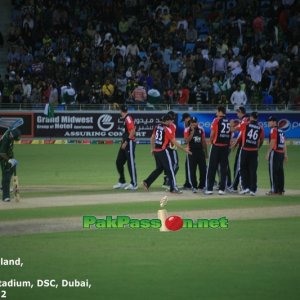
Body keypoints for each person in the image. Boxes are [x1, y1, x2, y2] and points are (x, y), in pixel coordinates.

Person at [143, 114, 192, 194]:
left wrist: (152, 148)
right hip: (163, 151)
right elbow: (174, 142)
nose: (171, 122)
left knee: (159, 169)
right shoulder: (167, 129)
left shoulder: (157, 127)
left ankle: (147, 182)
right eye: (170, 121)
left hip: (156, 151)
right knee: (170, 169)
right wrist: (184, 149)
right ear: (167, 121)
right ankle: (173, 188)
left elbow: (152, 138)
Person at [233, 112, 264, 196]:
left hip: (245, 150)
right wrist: (258, 147)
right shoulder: (260, 128)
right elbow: (261, 140)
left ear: (250, 117)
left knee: (243, 169)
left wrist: (232, 126)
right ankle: (253, 190)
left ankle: (245, 187)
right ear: (257, 118)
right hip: (254, 151)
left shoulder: (245, 124)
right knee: (253, 170)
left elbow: (235, 129)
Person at [205, 105, 232, 195]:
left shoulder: (216, 120)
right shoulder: (228, 121)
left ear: (220, 112)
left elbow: (213, 133)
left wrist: (211, 140)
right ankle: (222, 189)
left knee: (212, 167)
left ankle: (209, 189)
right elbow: (231, 134)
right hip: (225, 147)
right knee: (223, 168)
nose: (216, 113)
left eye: (217, 111)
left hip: (216, 146)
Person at [113, 105, 137, 190]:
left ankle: (134, 184)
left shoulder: (128, 118)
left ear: (121, 111)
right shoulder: (126, 118)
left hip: (129, 143)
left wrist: (126, 141)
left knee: (130, 163)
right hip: (125, 142)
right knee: (119, 162)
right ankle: (122, 182)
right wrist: (123, 141)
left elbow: (133, 130)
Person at [184, 116, 208, 193]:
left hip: (200, 152)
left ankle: (202, 185)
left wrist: (206, 153)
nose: (193, 124)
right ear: (190, 123)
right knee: (192, 170)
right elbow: (186, 141)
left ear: (197, 122)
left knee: (203, 169)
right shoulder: (187, 130)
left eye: (195, 122)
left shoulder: (201, 129)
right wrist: (192, 133)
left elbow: (203, 141)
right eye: (192, 122)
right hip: (191, 152)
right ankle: (194, 186)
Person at [265, 116, 287, 195]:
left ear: (274, 122)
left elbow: (273, 141)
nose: (268, 122)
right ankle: (280, 190)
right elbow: (284, 143)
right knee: (280, 172)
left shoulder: (273, 130)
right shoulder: (281, 130)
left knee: (273, 172)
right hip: (281, 153)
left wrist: (268, 153)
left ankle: (274, 190)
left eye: (270, 121)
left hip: (275, 153)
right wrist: (285, 154)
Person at [229, 106, 249, 192]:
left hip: (243, 147)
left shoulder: (244, 121)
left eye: (237, 112)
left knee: (238, 167)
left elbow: (237, 132)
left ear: (241, 112)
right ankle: (247, 186)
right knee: (246, 167)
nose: (237, 114)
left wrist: (231, 125)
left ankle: (235, 187)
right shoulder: (248, 120)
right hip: (249, 147)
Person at [0, 129, 20, 202]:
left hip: (8, 156)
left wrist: (12, 158)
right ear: (12, 136)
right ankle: (6, 196)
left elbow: (9, 149)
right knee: (6, 175)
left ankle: (3, 186)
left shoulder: (10, 135)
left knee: (11, 170)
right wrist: (9, 160)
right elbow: (2, 153)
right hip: (3, 158)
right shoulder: (6, 139)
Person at [162, 111, 179, 188]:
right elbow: (172, 138)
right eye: (173, 117)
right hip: (170, 148)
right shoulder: (173, 126)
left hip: (164, 148)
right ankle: (170, 181)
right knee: (175, 164)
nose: (173, 119)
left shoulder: (162, 125)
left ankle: (166, 181)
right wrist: (174, 145)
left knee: (168, 165)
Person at [181, 113, 192, 189]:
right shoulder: (195, 126)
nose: (184, 122)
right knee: (202, 166)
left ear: (187, 118)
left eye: (185, 120)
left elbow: (186, 140)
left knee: (188, 166)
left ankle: (188, 184)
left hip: (190, 149)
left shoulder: (187, 128)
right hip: (197, 149)